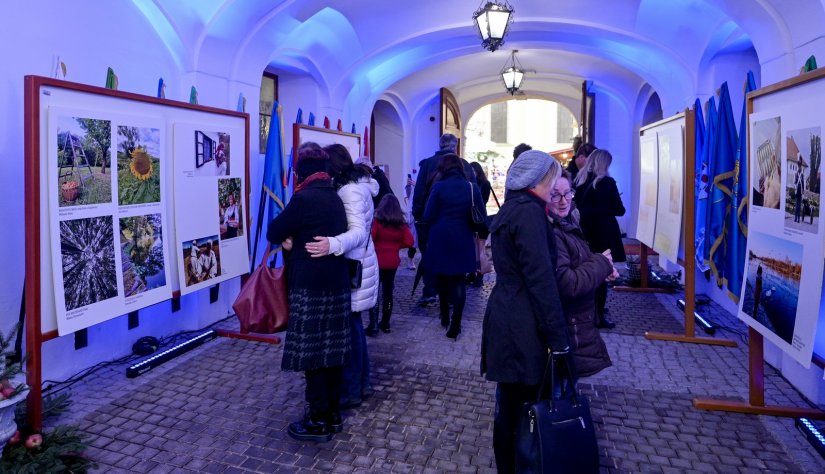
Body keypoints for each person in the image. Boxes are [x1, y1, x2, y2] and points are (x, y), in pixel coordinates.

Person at [481, 150, 570, 474]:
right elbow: (540, 280)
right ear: (541, 179)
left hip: (507, 315)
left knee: (510, 404)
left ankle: (511, 466)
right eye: (552, 179)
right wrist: (559, 339)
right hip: (522, 323)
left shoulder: (513, 208)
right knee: (522, 406)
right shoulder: (530, 214)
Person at [266, 145, 351, 442]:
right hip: (337, 283)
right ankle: (332, 414)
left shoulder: (303, 199)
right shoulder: (334, 198)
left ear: (301, 172)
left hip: (310, 286)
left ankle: (317, 420)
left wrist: (292, 244)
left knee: (313, 355)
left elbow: (274, 231)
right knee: (332, 352)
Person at [306, 143, 379, 409]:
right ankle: (360, 385)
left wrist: (332, 244)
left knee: (350, 329)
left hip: (353, 265)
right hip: (359, 263)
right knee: (355, 327)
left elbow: (358, 232)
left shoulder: (349, 191)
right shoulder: (356, 187)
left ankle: (352, 389)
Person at [548, 170, 619, 377]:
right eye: (555, 194)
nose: (563, 201)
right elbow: (568, 284)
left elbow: (578, 265)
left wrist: (601, 271)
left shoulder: (567, 224)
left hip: (576, 325)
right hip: (570, 326)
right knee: (560, 392)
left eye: (567, 193)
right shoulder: (553, 232)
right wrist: (601, 263)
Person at [422, 153, 486, 340]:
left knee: (441, 277)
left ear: (443, 168)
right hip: (463, 238)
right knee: (458, 281)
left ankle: (444, 315)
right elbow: (481, 214)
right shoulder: (471, 187)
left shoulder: (439, 187)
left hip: (440, 237)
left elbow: (428, 214)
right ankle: (456, 324)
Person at [411, 133, 476, 306]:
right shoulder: (466, 166)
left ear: (440, 145)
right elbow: (475, 194)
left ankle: (430, 291)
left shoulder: (427, 164)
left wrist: (418, 215)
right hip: (461, 223)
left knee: (430, 255)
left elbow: (418, 193)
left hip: (432, 221)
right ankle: (454, 294)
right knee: (456, 256)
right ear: (455, 146)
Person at [573, 149, 626, 329]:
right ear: (605, 164)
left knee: (587, 270)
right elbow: (619, 210)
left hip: (585, 232)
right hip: (604, 233)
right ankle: (598, 316)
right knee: (603, 273)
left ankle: (586, 311)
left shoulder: (580, 181)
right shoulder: (607, 182)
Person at [369, 194, 415, 335]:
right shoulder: (400, 223)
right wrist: (396, 246)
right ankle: (386, 323)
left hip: (378, 260)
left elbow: (371, 237)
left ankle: (374, 324)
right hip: (392, 261)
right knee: (388, 294)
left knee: (375, 294)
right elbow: (409, 241)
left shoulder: (377, 221)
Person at [468, 161, 493, 287]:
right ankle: (472, 273)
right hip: (471, 221)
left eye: (473, 169)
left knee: (480, 249)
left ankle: (480, 276)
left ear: (477, 170)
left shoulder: (484, 184)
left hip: (479, 220)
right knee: (472, 249)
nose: (471, 172)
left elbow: (483, 200)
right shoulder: (469, 184)